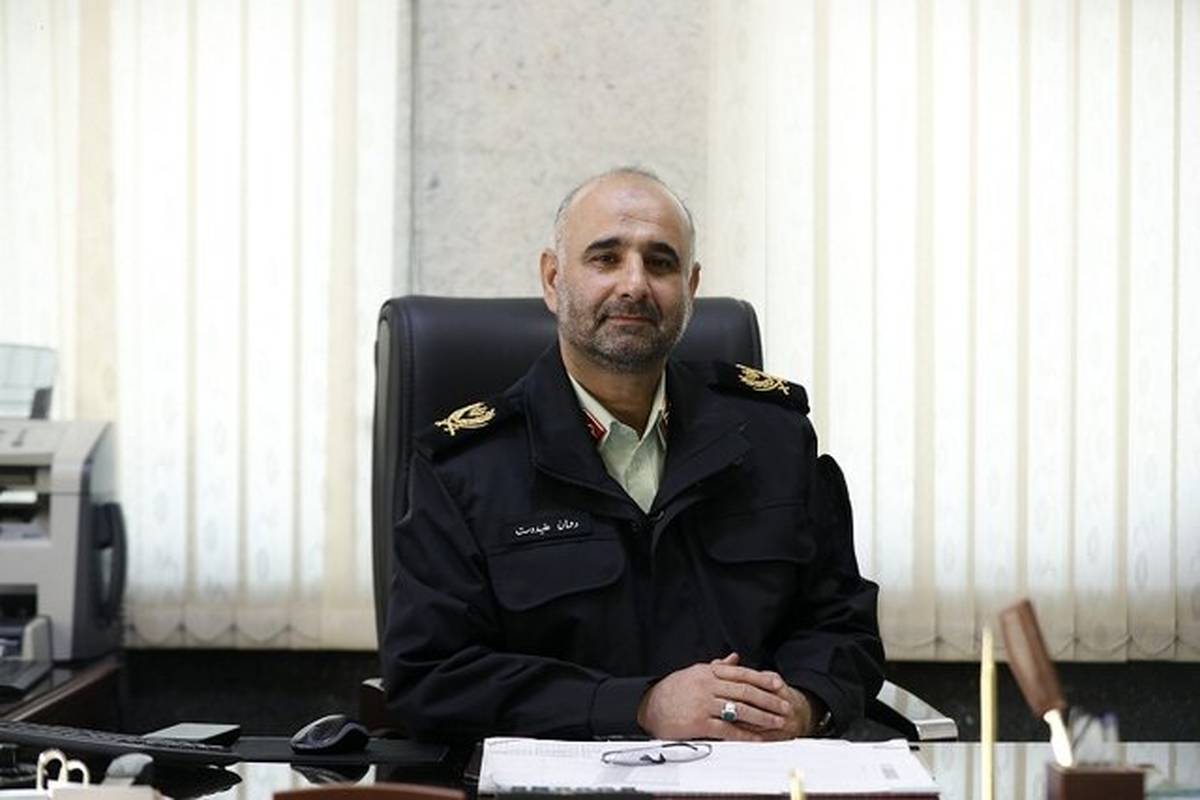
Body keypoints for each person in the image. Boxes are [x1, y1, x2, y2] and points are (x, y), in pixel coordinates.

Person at [383, 167, 884, 742]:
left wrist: (805, 703)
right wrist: (639, 706)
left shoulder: (775, 440)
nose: (635, 285)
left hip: (754, 770)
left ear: (691, 287)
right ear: (553, 279)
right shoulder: (467, 468)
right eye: (605, 258)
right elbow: (432, 676)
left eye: (661, 263)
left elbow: (842, 626)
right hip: (557, 777)